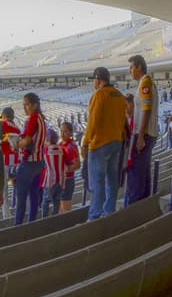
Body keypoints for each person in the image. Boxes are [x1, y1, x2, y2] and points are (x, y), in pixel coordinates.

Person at [83, 67, 129, 221]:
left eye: (94, 80)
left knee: (97, 183)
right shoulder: (120, 96)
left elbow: (93, 122)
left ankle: (94, 217)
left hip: (100, 144)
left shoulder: (99, 94)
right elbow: (124, 121)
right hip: (116, 142)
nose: (94, 84)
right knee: (112, 180)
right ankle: (109, 212)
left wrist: (85, 142)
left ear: (98, 79)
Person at [125, 55, 158, 202]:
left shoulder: (145, 82)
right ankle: (143, 208)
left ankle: (134, 212)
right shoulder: (144, 82)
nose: (130, 70)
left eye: (132, 67)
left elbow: (146, 109)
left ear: (139, 66)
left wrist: (140, 137)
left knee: (137, 176)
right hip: (147, 134)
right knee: (143, 175)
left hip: (144, 135)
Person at [11, 93, 47, 225]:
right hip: (39, 163)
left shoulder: (33, 118)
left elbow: (27, 141)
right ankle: (32, 223)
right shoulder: (42, 119)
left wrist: (16, 145)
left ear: (34, 105)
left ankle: (18, 226)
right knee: (34, 196)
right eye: (23, 105)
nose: (24, 108)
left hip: (29, 164)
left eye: (26, 104)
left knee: (21, 199)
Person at [57, 121, 81, 213]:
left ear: (71, 132)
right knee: (60, 208)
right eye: (61, 131)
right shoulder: (60, 144)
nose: (62, 134)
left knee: (65, 208)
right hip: (60, 180)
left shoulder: (72, 146)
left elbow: (77, 164)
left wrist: (65, 170)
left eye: (65, 131)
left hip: (68, 180)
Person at [0, 107, 21, 175]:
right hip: (16, 159)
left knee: (3, 183)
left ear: (3, 115)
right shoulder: (18, 129)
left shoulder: (1, 124)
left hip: (5, 158)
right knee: (14, 181)